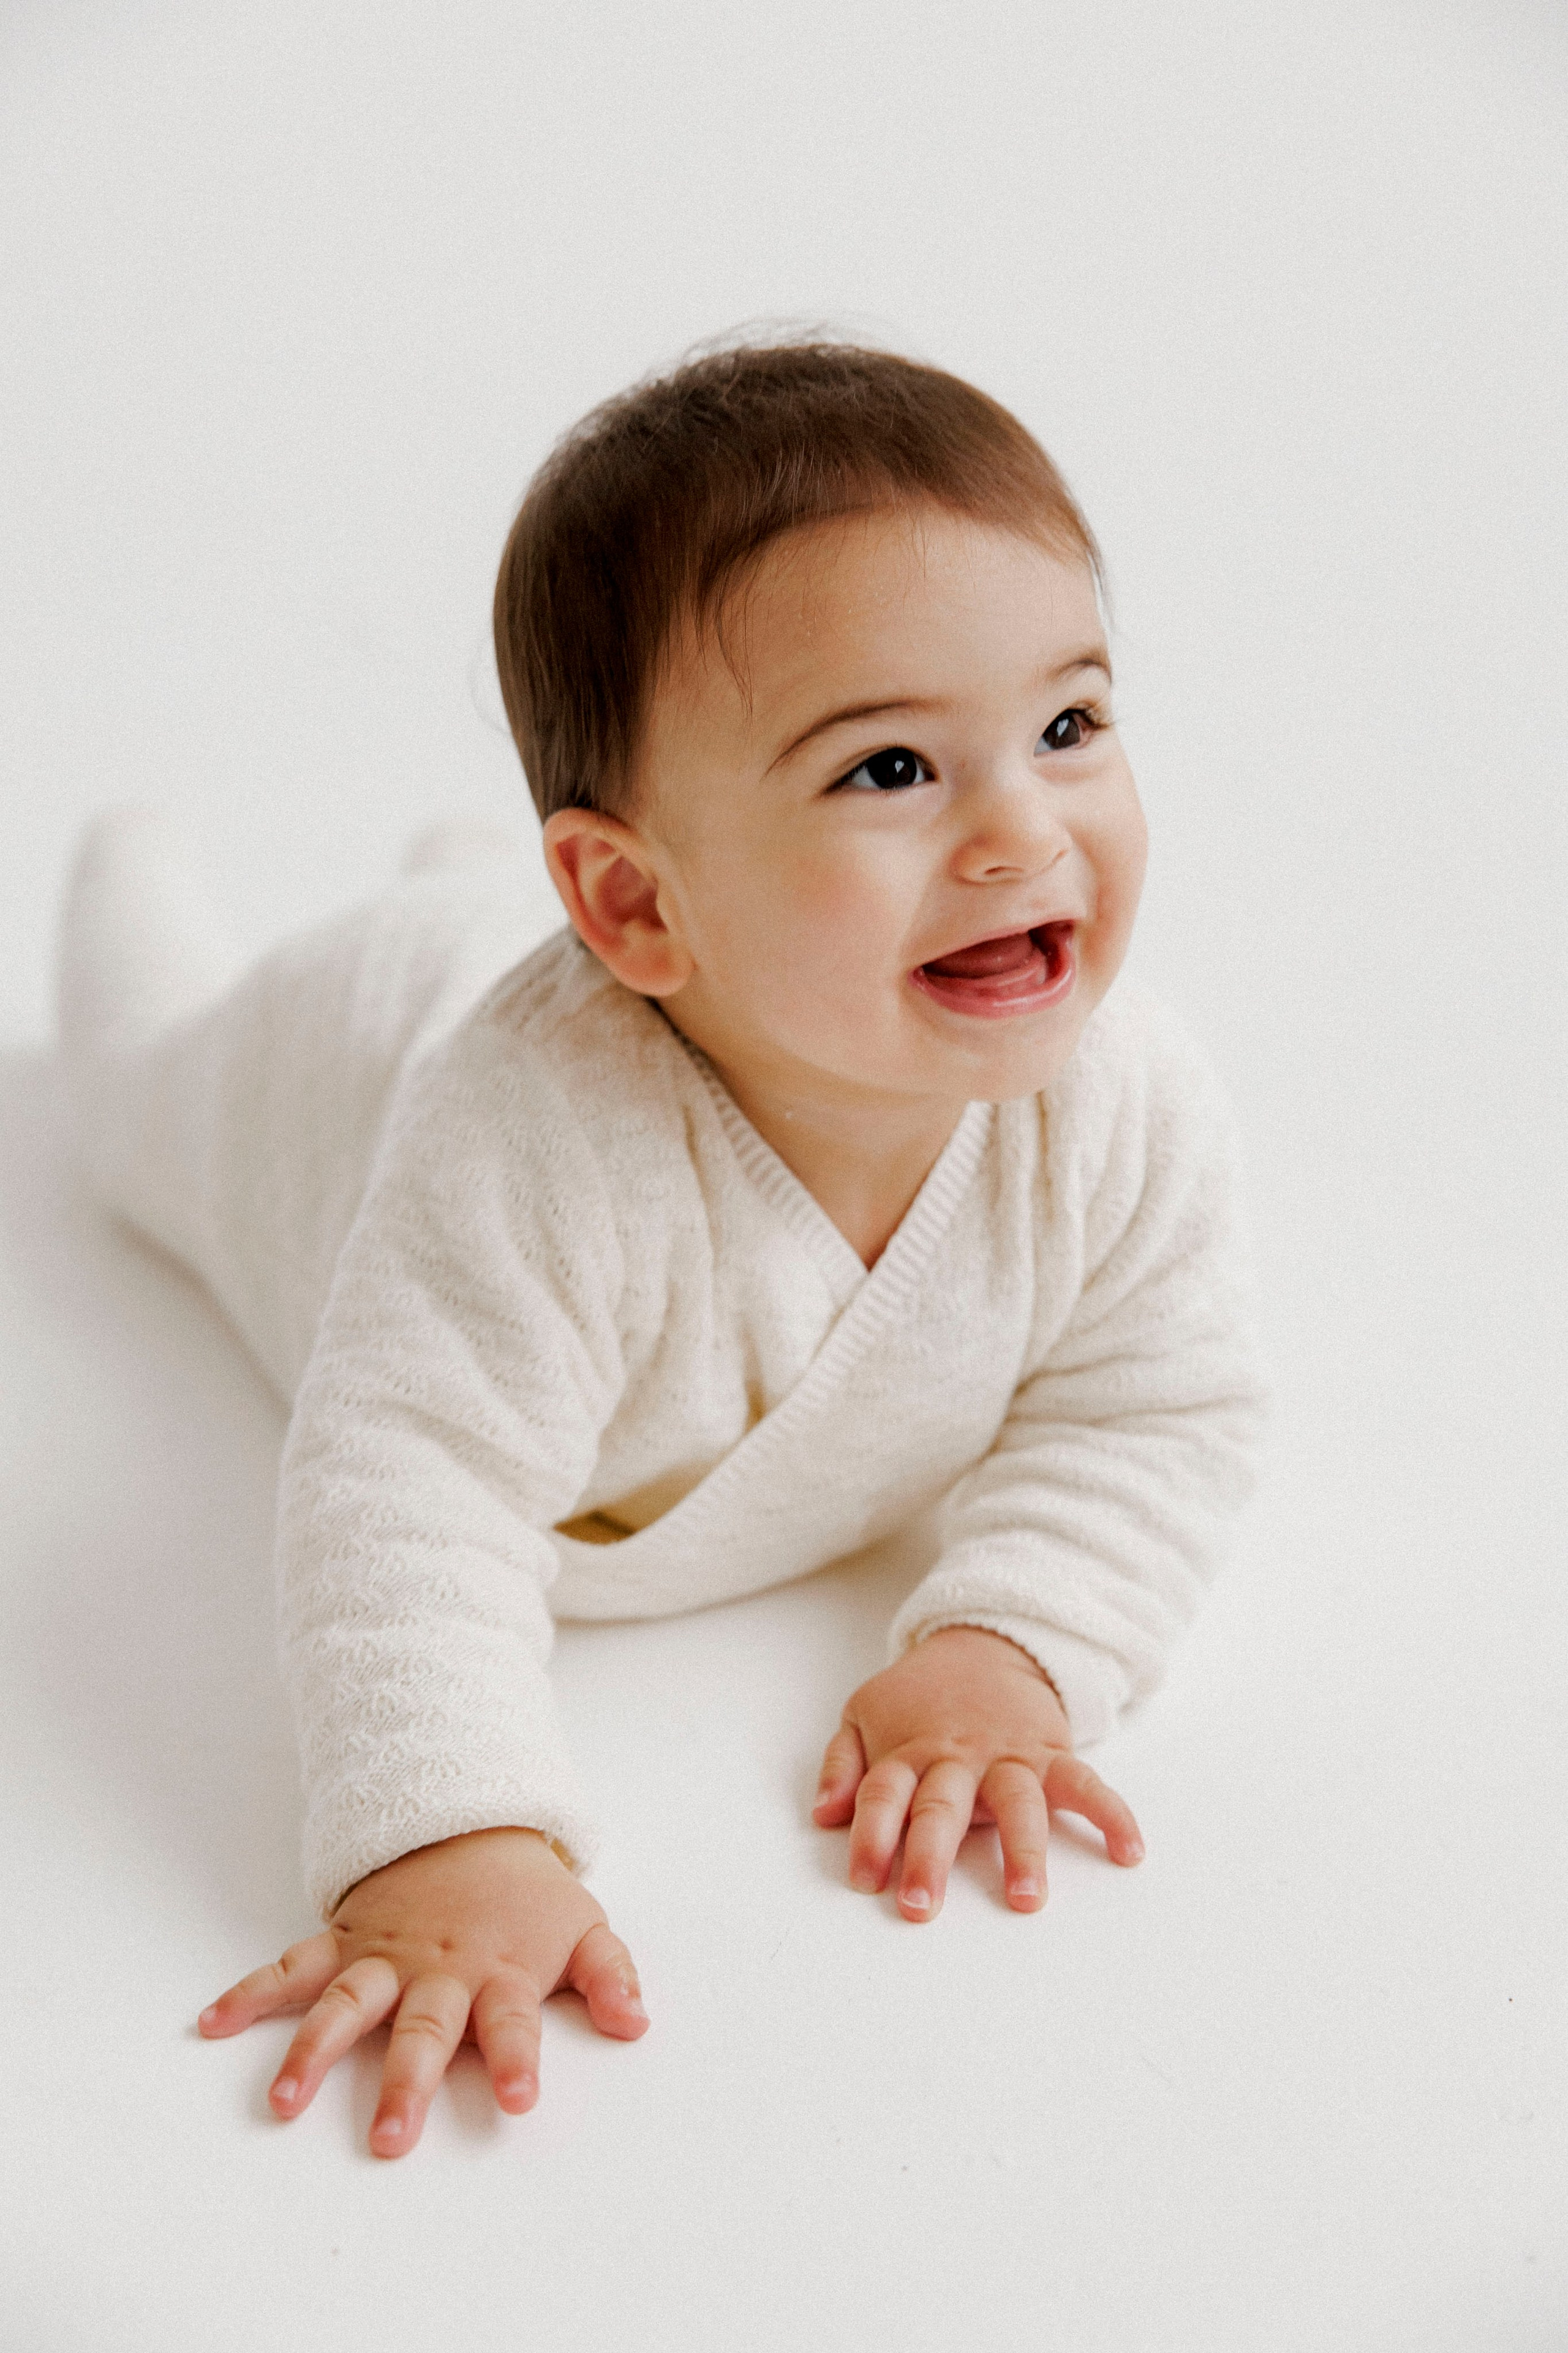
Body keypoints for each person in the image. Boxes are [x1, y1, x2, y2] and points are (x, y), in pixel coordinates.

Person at [55, 339, 1270, 2159]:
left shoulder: (1119, 1101)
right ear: (630, 902)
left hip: (599, 924)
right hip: (341, 1067)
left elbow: (1160, 1399)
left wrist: (1017, 1638)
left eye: (1072, 725)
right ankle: (123, 878)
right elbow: (407, 1489)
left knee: (475, 879)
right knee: (137, 1085)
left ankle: (473, 856)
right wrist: (448, 1828)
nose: (1028, 827)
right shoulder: (528, 1150)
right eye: (891, 768)